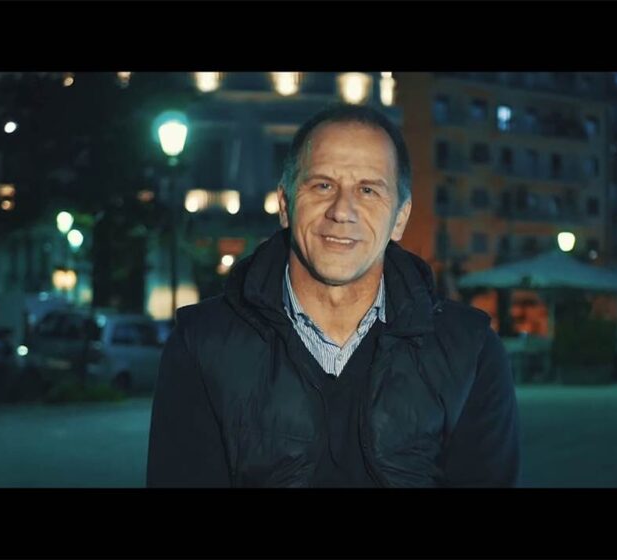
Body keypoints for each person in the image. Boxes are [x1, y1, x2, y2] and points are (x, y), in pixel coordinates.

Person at [147, 103, 519, 487]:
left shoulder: (471, 352)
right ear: (285, 205)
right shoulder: (202, 344)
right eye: (323, 185)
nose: (342, 211)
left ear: (400, 218)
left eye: (368, 190)